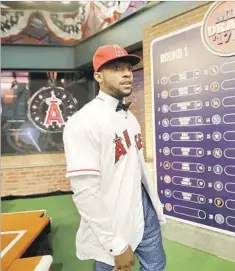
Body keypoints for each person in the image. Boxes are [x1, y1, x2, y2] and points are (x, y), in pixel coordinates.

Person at [63, 44, 167, 271]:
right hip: (113, 219)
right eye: (117, 68)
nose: (127, 73)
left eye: (128, 68)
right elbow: (85, 193)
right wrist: (115, 245)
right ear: (98, 76)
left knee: (157, 265)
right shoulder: (83, 121)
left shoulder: (128, 116)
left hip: (143, 208)